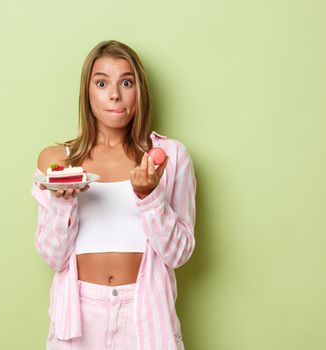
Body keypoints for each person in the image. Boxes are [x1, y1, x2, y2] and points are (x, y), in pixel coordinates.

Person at [31, 39, 197, 350]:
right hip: (79, 316)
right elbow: (53, 256)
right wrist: (63, 202)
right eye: (102, 82)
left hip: (146, 314)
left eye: (126, 82)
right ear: (88, 92)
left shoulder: (169, 157)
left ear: (140, 91)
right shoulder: (59, 162)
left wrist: (149, 196)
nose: (114, 94)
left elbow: (179, 254)